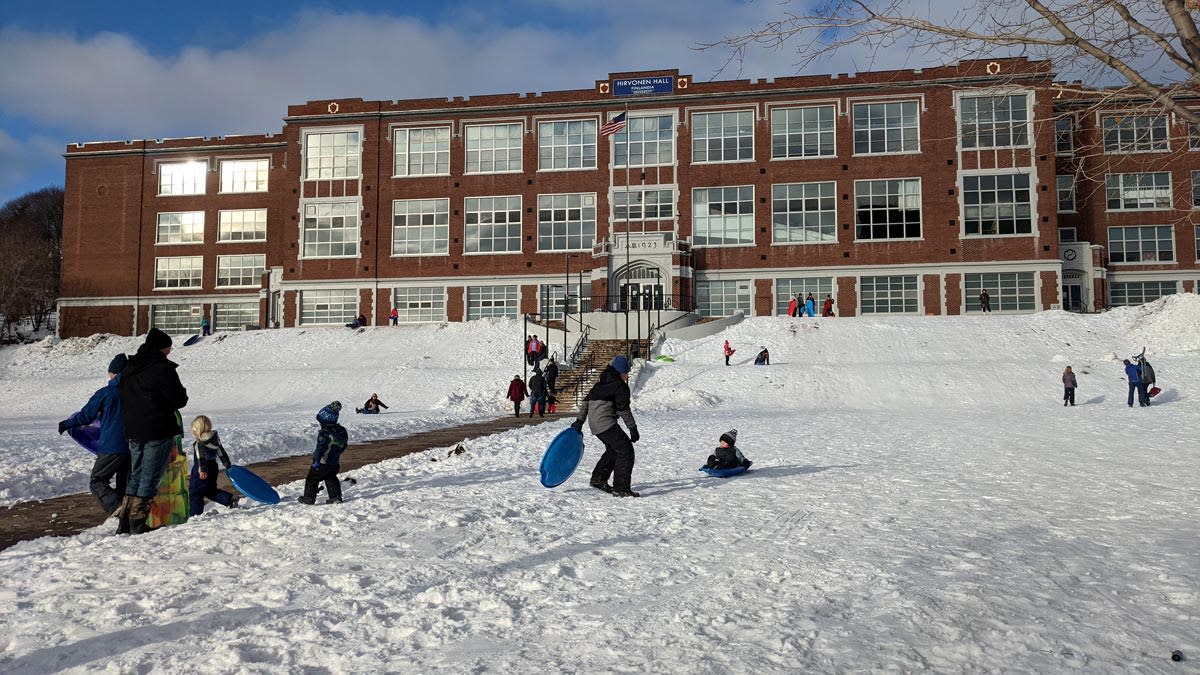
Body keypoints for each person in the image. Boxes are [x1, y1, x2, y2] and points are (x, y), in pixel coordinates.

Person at [119, 328, 189, 534]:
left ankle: (124, 521)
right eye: (168, 348)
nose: (169, 352)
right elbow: (179, 399)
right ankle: (138, 523)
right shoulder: (162, 368)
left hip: (133, 428)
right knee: (150, 475)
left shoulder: (131, 367)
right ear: (162, 347)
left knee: (136, 473)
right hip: (157, 428)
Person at [58, 353, 132, 534]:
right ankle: (126, 524)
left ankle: (117, 507)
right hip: (132, 445)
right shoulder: (136, 391)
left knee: (97, 480)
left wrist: (67, 424)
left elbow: (86, 415)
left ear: (113, 373)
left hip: (111, 445)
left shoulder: (106, 393)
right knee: (124, 484)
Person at [571, 355, 640, 497]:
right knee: (625, 450)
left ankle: (598, 479)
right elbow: (623, 409)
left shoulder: (600, 384)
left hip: (595, 424)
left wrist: (579, 422)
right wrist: (632, 428)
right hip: (605, 423)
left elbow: (586, 403)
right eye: (626, 372)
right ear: (621, 372)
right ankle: (621, 488)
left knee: (615, 449)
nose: (627, 376)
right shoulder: (619, 386)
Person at [188, 415, 239, 515]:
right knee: (210, 490)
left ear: (198, 430)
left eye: (194, 430)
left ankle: (195, 514)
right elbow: (221, 452)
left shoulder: (199, 443)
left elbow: (201, 458)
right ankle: (229, 499)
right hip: (213, 468)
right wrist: (227, 464)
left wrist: (202, 470)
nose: (193, 432)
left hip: (201, 472)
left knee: (196, 493)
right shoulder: (214, 440)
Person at [299, 402, 349, 504]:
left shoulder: (325, 434)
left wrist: (316, 461)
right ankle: (335, 497)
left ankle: (309, 498)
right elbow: (343, 445)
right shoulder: (341, 431)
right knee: (331, 478)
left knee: (312, 478)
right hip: (334, 462)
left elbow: (320, 449)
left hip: (322, 462)